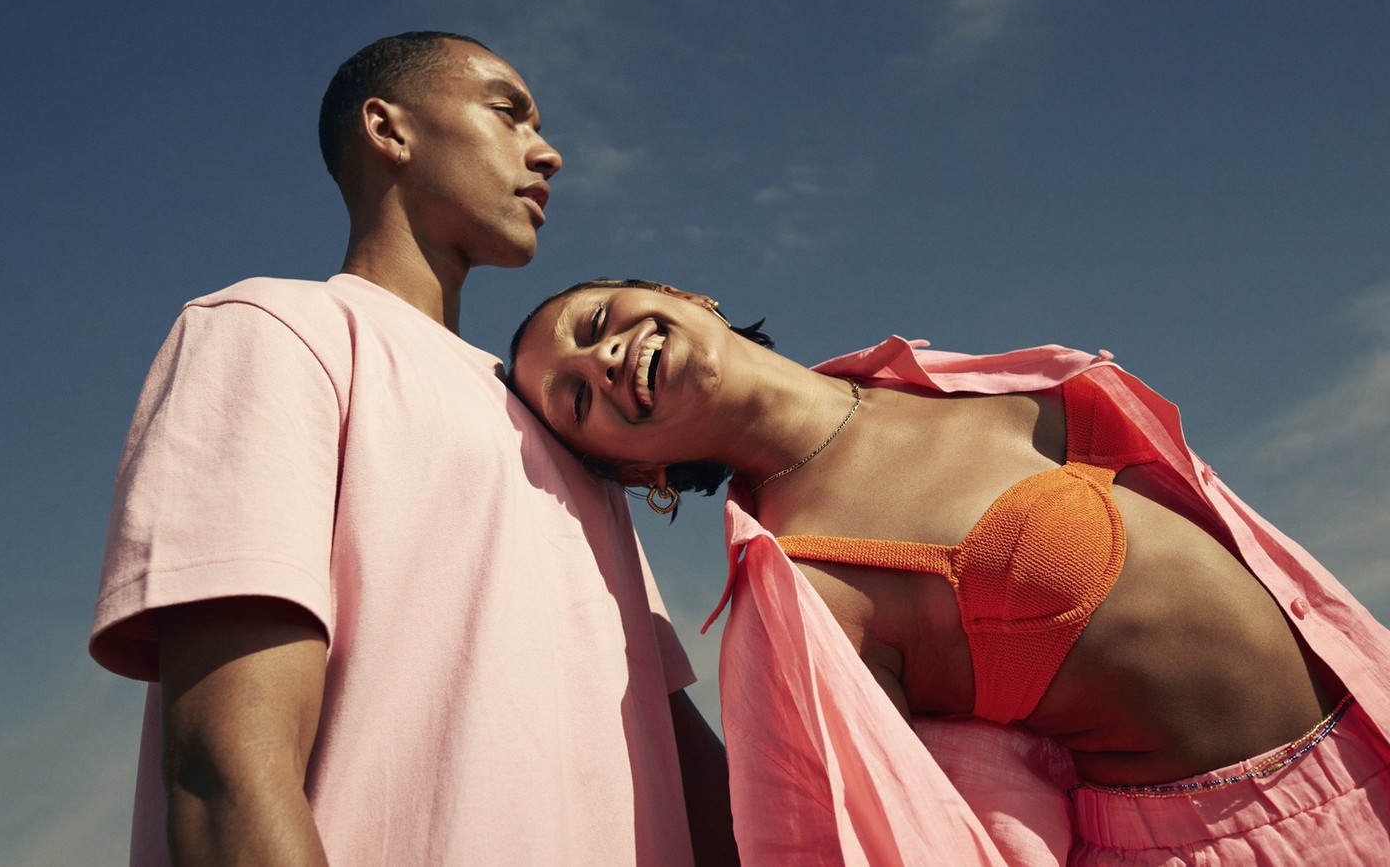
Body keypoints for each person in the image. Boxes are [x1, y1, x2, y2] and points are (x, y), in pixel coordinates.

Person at [90, 38, 735, 866]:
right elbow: (226, 774)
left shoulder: (564, 423)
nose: (549, 152)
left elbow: (670, 744)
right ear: (388, 130)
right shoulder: (278, 332)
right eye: (510, 111)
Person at [507, 277, 1390, 866]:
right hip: (1240, 843)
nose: (604, 359)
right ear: (640, 474)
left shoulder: (928, 376)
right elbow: (848, 834)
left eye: (592, 326)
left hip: (1371, 721)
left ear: (675, 294)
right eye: (577, 398)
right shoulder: (805, 590)